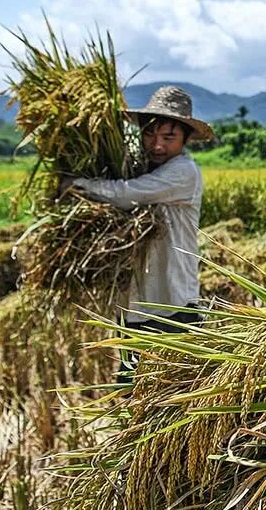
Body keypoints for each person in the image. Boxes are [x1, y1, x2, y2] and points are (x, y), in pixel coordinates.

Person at [61, 85, 212, 377]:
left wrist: (78, 185)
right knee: (135, 388)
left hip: (171, 302)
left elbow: (126, 194)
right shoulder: (140, 166)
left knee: (176, 391)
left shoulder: (182, 172)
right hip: (135, 305)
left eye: (168, 138)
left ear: (186, 138)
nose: (157, 146)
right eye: (150, 135)